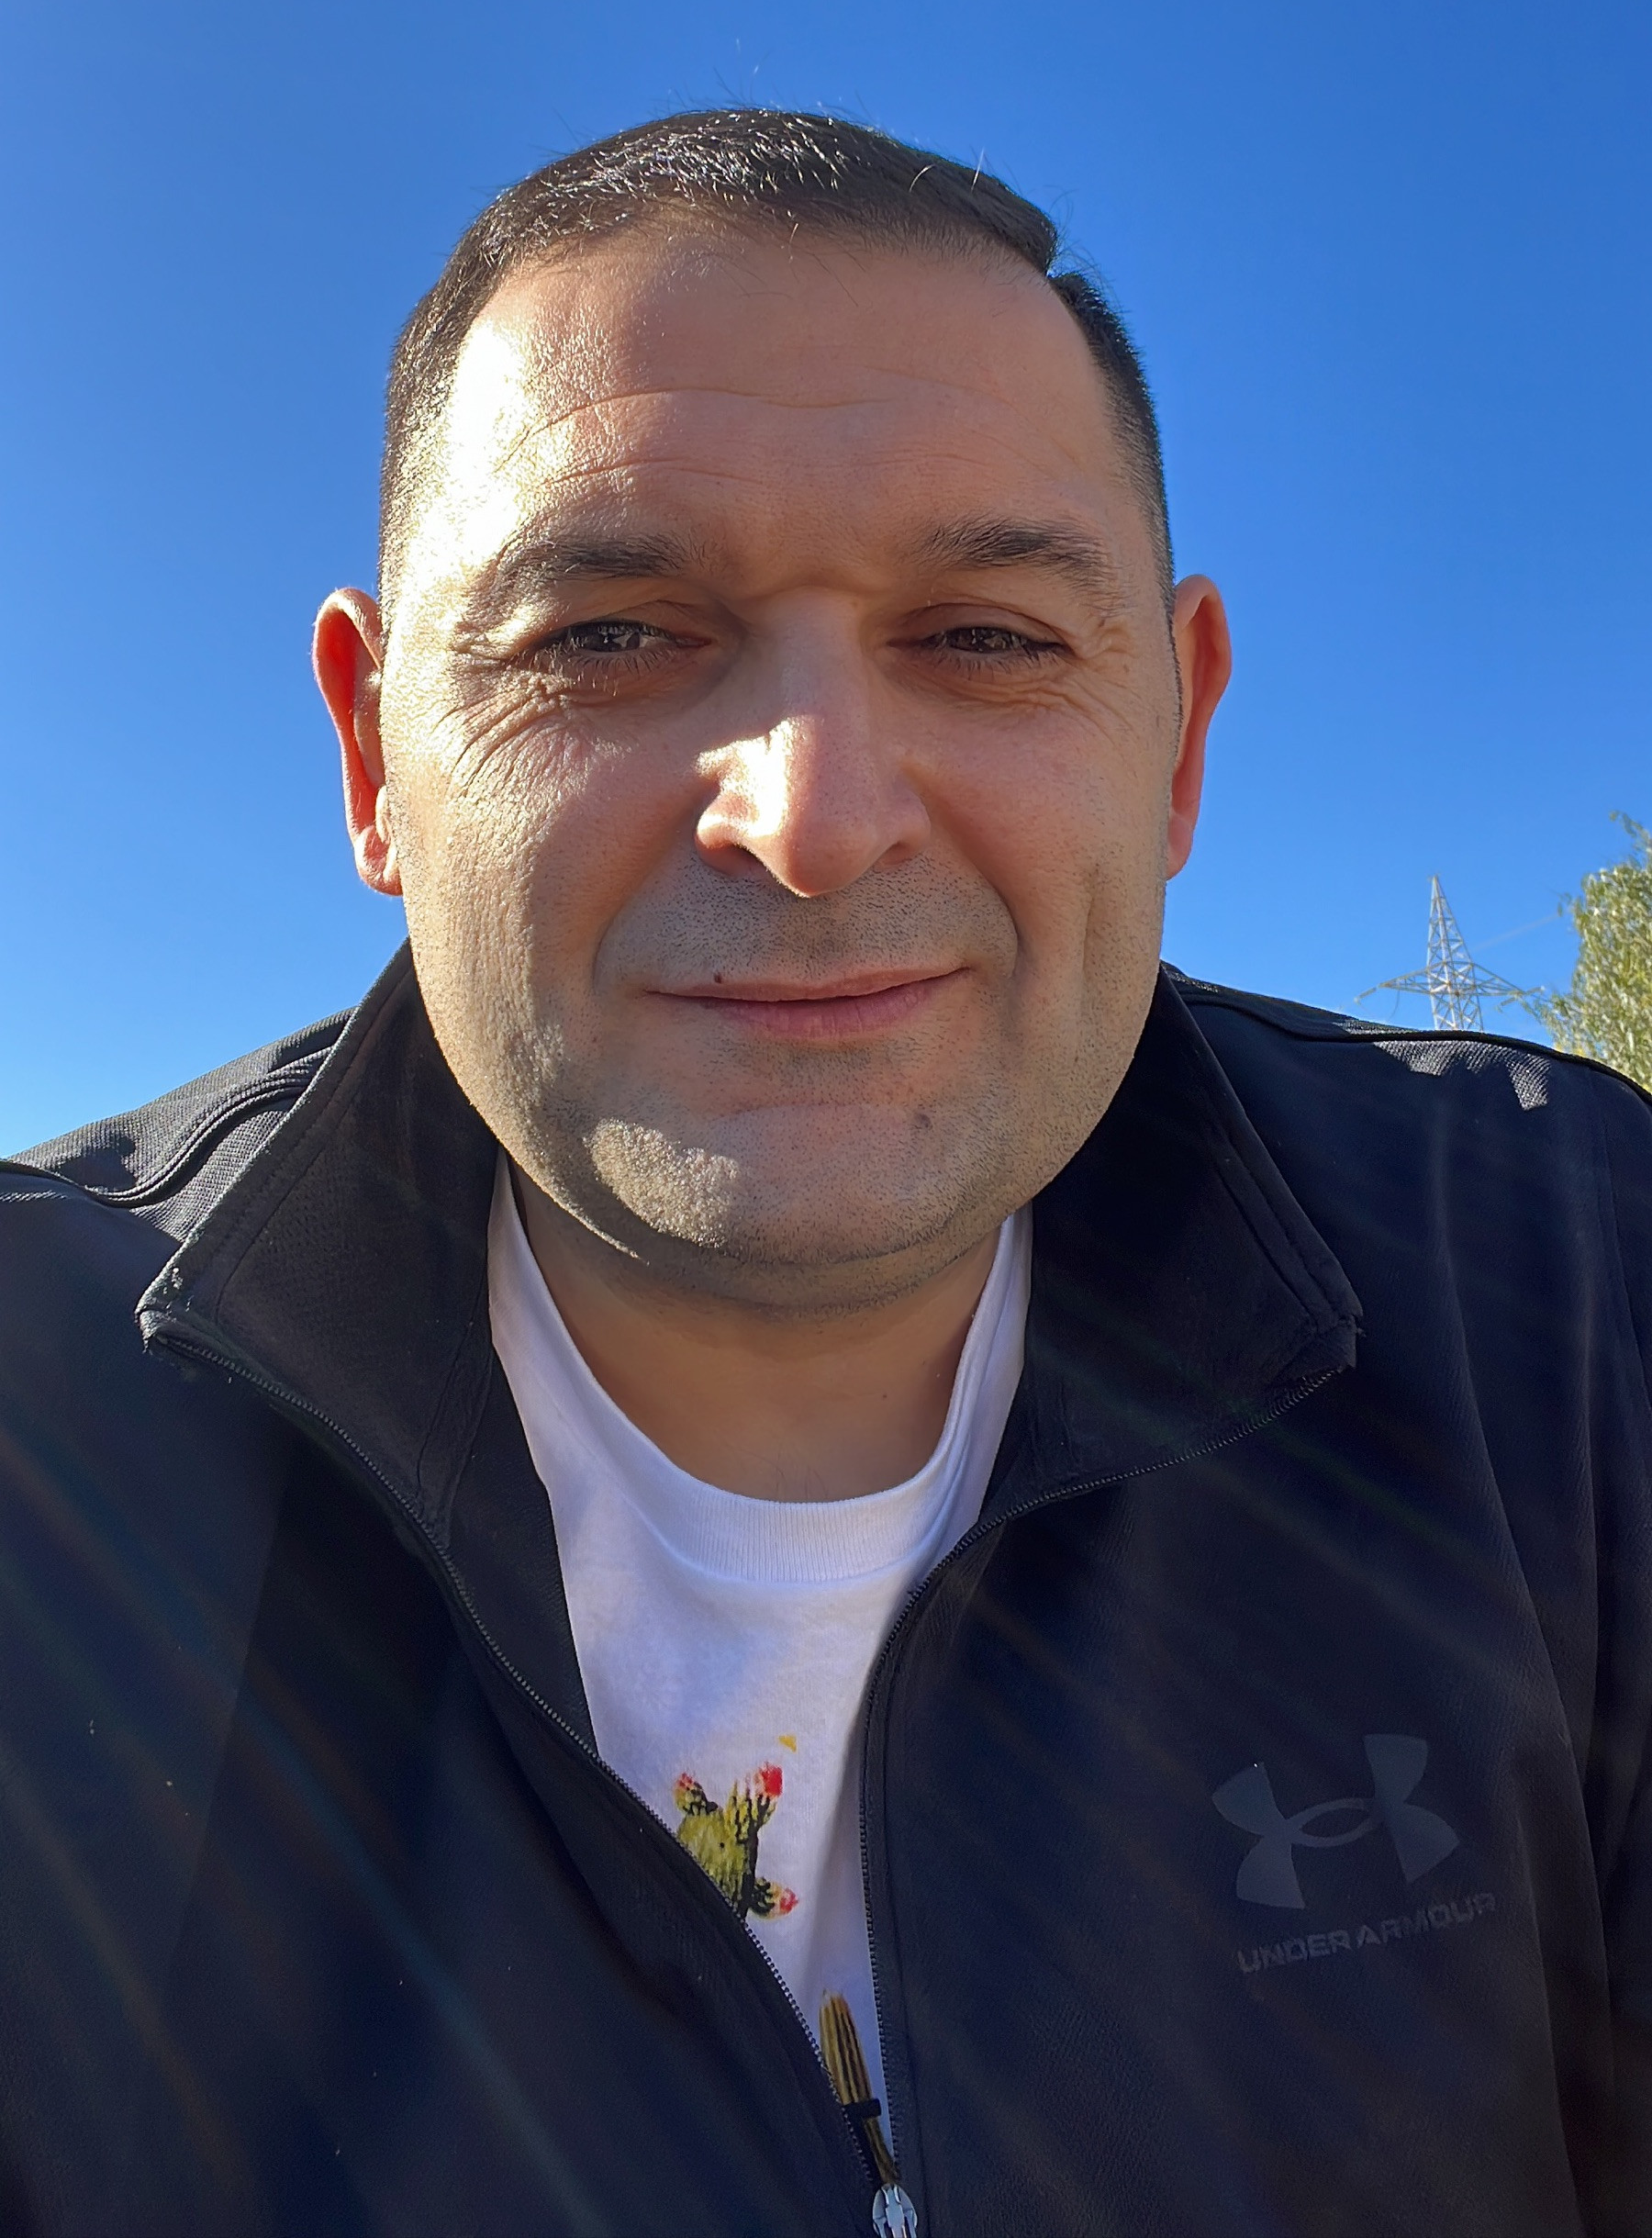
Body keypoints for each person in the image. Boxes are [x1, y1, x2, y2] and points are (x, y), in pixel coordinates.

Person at [1, 110, 1647, 2238]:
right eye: (608, 637)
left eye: (986, 637)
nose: (814, 817)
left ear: (1176, 740)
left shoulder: (1574, 1300)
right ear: (373, 748)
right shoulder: (41, 1462)